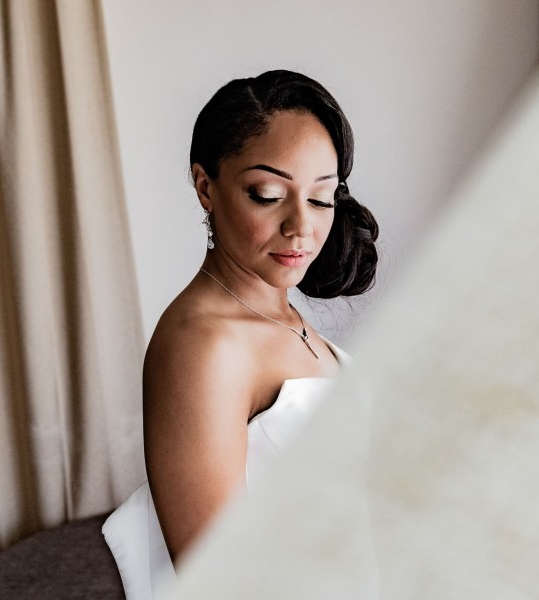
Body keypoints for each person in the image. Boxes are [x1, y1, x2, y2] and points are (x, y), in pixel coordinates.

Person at [102, 70, 379, 600]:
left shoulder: (280, 314)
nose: (301, 226)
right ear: (206, 186)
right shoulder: (204, 346)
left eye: (321, 198)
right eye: (267, 194)